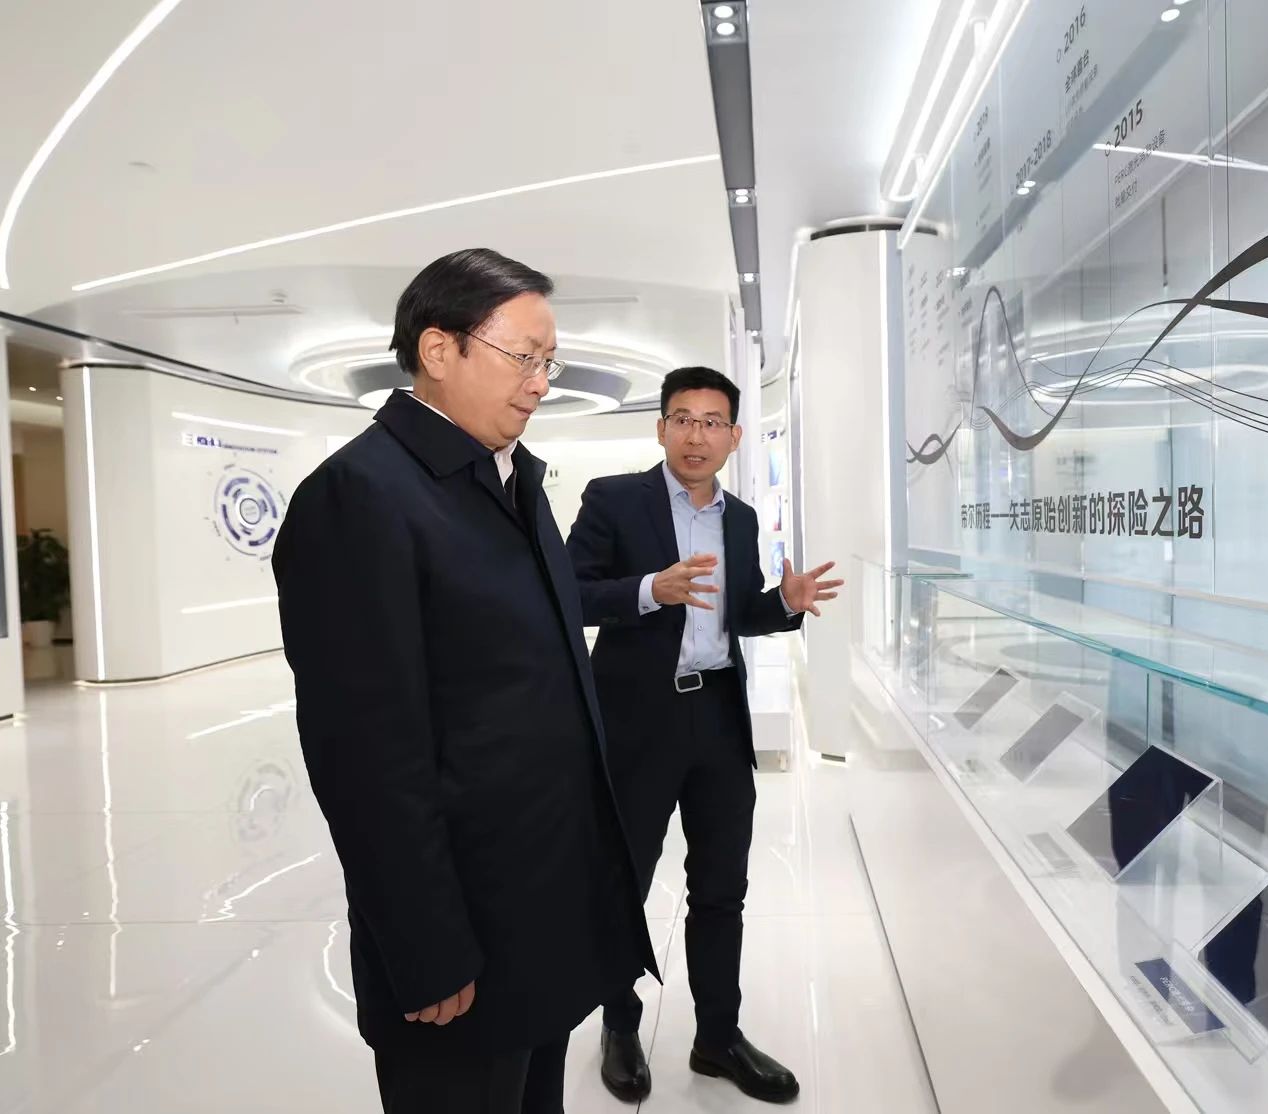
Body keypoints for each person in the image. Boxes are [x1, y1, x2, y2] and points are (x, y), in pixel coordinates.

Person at [273, 248, 657, 1114]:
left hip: (544, 911)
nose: (541, 383)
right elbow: (365, 759)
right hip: (462, 939)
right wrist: (425, 945)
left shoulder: (512, 481)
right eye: (523, 357)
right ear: (438, 350)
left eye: (549, 362)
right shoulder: (359, 498)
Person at [567, 366, 843, 1105]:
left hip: (717, 718)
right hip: (638, 721)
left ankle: (717, 1036)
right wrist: (646, 590)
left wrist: (783, 604)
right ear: (661, 428)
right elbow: (568, 592)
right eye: (683, 419)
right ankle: (619, 1025)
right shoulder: (614, 499)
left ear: (734, 436)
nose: (697, 435)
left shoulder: (741, 519)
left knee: (722, 887)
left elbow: (736, 614)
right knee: (624, 881)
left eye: (712, 422)